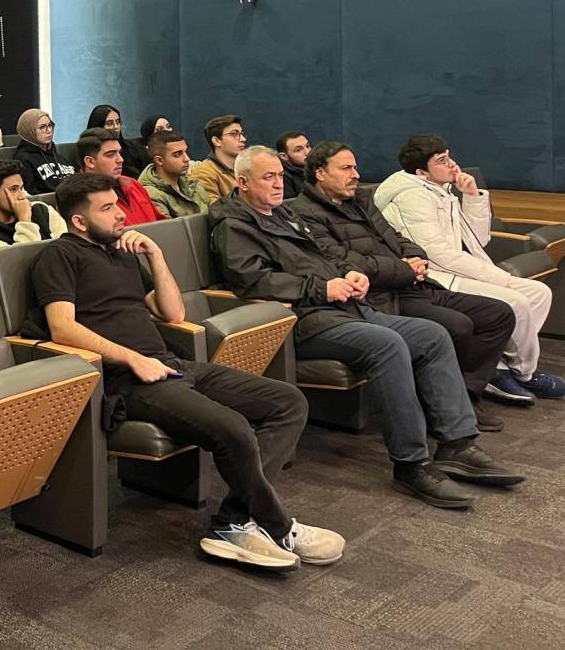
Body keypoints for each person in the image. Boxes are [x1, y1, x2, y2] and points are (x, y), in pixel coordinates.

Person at [24, 171, 341, 569]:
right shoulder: (59, 256)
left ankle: (233, 522)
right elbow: (62, 328)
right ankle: (278, 526)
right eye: (107, 208)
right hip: (129, 380)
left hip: (170, 364)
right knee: (233, 428)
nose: (120, 214)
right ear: (79, 221)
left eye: (117, 204)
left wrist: (155, 255)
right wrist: (132, 358)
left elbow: (173, 312)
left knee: (288, 401)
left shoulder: (123, 253)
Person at [211, 146, 523, 508]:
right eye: (268, 177)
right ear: (242, 182)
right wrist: (323, 288)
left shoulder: (284, 214)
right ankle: (411, 464)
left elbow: (326, 257)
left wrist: (349, 274)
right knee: (388, 344)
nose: (279, 183)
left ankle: (457, 443)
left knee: (433, 336)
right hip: (303, 319)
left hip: (345, 306)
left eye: (280, 175)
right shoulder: (234, 226)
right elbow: (253, 280)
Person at [290, 141, 514, 429]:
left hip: (415, 284)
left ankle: (466, 394)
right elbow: (343, 262)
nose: (356, 174)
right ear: (320, 173)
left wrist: (416, 256)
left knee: (499, 314)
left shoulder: (361, 199)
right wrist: (405, 269)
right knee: (457, 325)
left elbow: (396, 237)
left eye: (355, 167)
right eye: (346, 168)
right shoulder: (304, 213)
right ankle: (444, 407)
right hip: (380, 296)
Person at [374, 135, 564, 404]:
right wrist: (499, 277)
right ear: (421, 172)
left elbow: (478, 240)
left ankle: (503, 367)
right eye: (442, 161)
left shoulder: (440, 189)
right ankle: (516, 374)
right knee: (517, 302)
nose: (452, 164)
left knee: (539, 293)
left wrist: (472, 196)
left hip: (458, 269)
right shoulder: (412, 197)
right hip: (436, 277)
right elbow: (437, 255)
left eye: (449, 156)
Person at [0, 160, 66, 252]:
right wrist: (25, 221)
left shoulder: (43, 210)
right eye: (13, 189)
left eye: (21, 188)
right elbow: (18, 262)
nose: (22, 196)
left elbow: (67, 248)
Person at [77, 127, 160, 226]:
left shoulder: (132, 184)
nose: (120, 160)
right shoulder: (79, 197)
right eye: (111, 155)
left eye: (119, 153)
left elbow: (162, 223)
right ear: (90, 162)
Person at [139, 130, 210, 219]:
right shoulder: (150, 195)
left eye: (186, 152)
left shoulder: (193, 183)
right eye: (177, 155)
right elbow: (168, 227)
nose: (187, 159)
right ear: (159, 160)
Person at [13, 109, 74, 194]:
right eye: (42, 127)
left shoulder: (56, 154)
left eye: (50, 125)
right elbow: (31, 194)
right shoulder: (23, 159)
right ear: (29, 130)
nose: (49, 131)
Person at [191, 115, 247, 204]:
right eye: (234, 134)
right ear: (217, 141)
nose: (243, 139)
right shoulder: (204, 173)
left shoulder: (246, 169)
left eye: (242, 134)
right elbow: (215, 209)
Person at [276, 132, 310, 199]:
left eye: (307, 146)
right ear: (283, 156)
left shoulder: (317, 166)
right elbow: (290, 203)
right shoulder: (282, 176)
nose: (307, 152)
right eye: (298, 150)